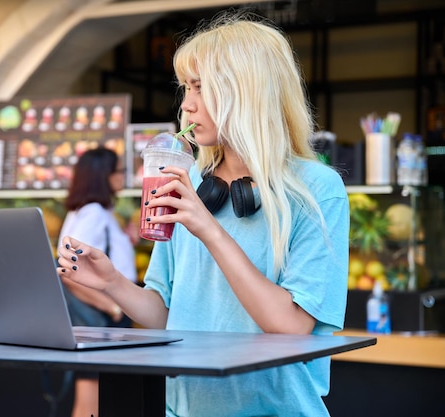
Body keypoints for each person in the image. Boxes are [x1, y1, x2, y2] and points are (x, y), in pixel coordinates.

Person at [57, 12, 349, 417]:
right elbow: (165, 316)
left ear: (247, 91)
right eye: (185, 88)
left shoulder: (317, 189)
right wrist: (111, 284)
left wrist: (208, 228)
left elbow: (291, 326)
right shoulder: (188, 180)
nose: (187, 104)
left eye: (201, 87)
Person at [58, 146, 137, 417]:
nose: (122, 176)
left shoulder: (85, 211)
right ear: (104, 176)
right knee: (91, 400)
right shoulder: (94, 213)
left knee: (95, 397)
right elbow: (71, 274)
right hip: (100, 318)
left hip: (100, 316)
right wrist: (112, 308)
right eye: (118, 170)